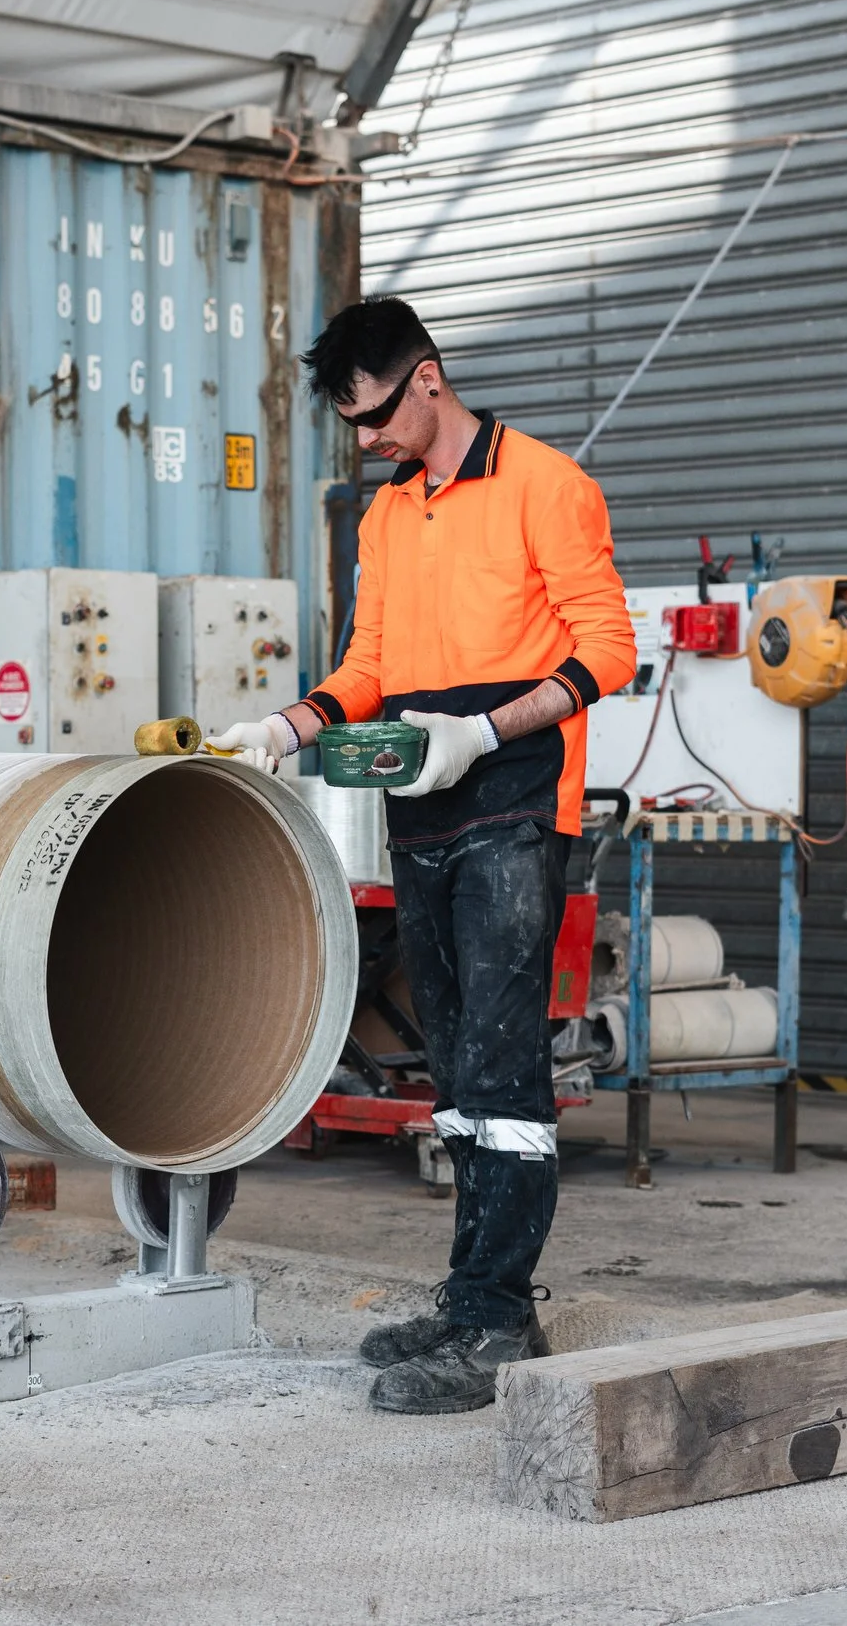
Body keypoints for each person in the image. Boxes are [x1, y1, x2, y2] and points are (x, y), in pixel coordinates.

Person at [209, 297, 635, 1415]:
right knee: (452, 1069)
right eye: (351, 423)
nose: (365, 441)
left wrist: (485, 731)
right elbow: (370, 665)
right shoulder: (389, 517)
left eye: (376, 415)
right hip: (423, 818)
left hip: (511, 809)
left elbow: (609, 649)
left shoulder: (548, 486)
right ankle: (470, 1299)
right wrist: (281, 728)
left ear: (428, 381)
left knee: (503, 1070)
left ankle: (496, 1322)